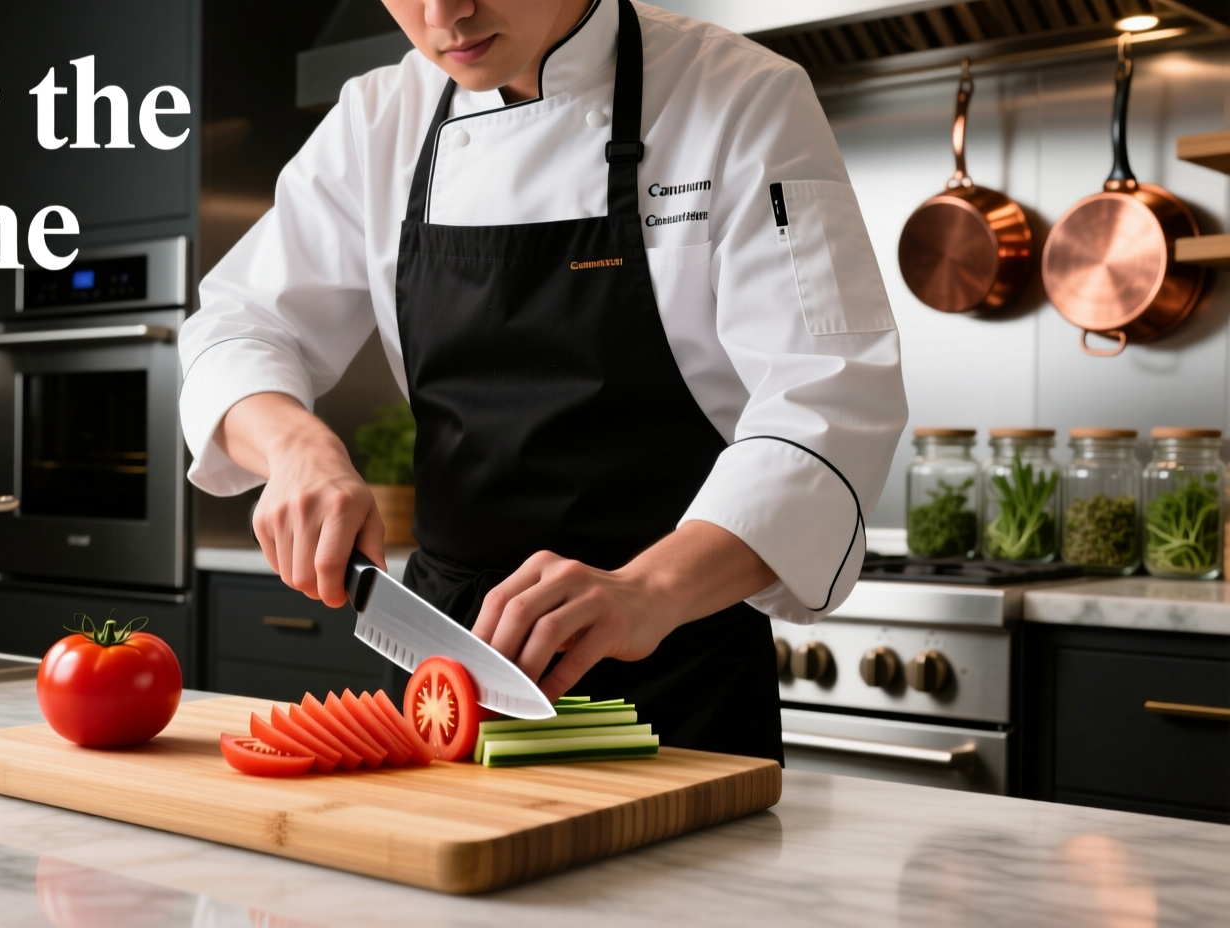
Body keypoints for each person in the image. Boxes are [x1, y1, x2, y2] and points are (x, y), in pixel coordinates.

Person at [179, 0, 908, 762]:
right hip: (445, 678)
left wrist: (649, 590)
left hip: (677, 682)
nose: (445, 12)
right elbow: (237, 324)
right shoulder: (377, 120)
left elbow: (830, 398)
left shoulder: (741, 98)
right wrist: (296, 449)